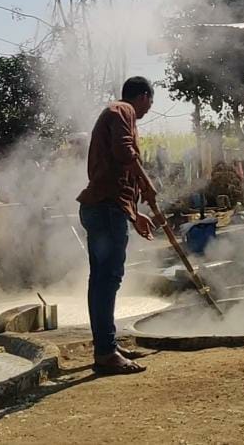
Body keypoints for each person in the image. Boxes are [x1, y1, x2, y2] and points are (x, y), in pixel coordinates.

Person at [76, 76, 159, 375]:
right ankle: (106, 352)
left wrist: (135, 214)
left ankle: (107, 345)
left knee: (102, 280)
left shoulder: (116, 114)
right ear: (143, 96)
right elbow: (126, 154)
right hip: (104, 210)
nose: (149, 108)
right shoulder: (121, 111)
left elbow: (117, 175)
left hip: (105, 208)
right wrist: (148, 185)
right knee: (106, 280)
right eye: (151, 101)